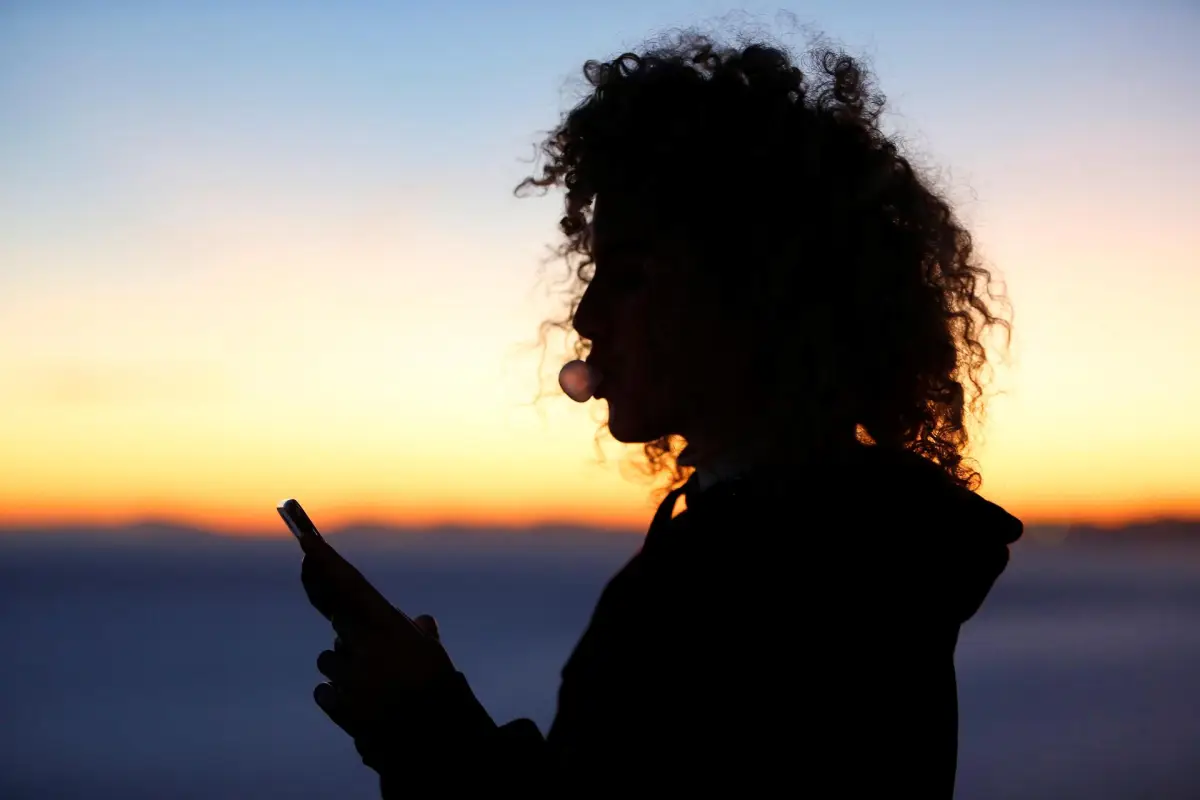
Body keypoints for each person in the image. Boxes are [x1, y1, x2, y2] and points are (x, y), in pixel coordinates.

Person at [298, 28, 1023, 797]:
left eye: (633, 274)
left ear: (758, 296)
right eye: (595, 270)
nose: (586, 310)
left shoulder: (753, 590)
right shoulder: (864, 546)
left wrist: (424, 731)